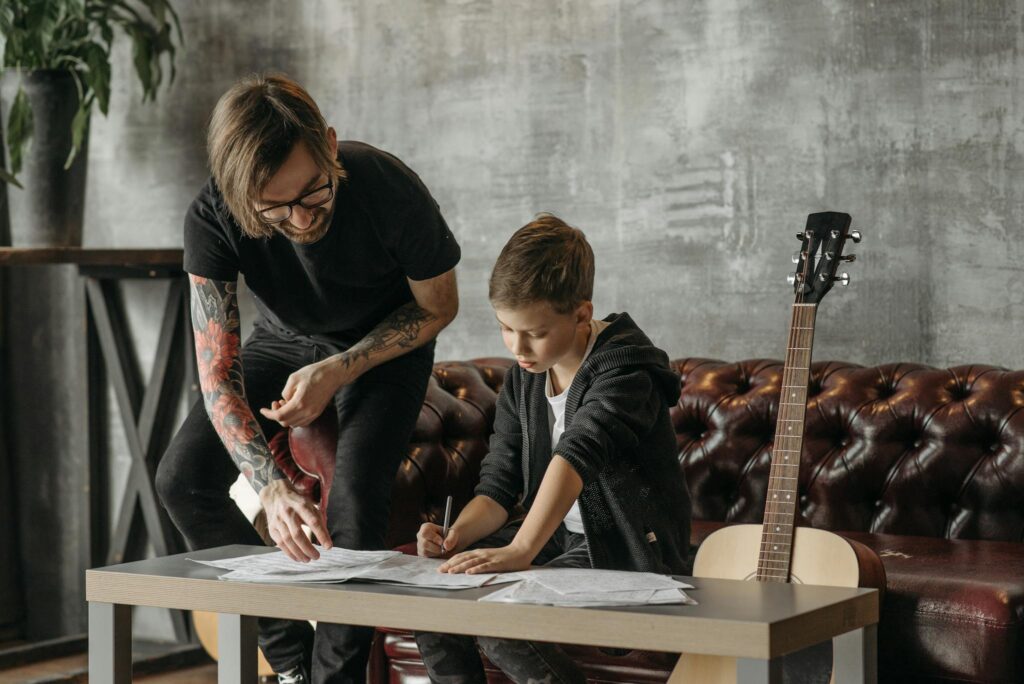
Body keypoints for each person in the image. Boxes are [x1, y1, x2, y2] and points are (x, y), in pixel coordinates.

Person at [155, 74, 460, 684]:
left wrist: (340, 368)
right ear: (241, 197)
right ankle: (292, 663)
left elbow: (438, 306)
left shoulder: (384, 185)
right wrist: (267, 486)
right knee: (181, 481)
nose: (299, 219)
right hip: (287, 338)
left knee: (355, 499)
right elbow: (217, 372)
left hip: (387, 341)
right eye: (274, 208)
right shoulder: (212, 216)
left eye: (314, 193)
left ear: (329, 144)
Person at [413, 214, 691, 684]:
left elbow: (576, 453)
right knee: (434, 602)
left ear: (582, 313)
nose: (517, 347)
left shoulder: (625, 372)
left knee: (503, 621)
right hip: (561, 538)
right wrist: (454, 536)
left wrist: (522, 548)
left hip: (623, 548)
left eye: (534, 333)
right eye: (505, 328)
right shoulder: (526, 375)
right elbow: (499, 486)